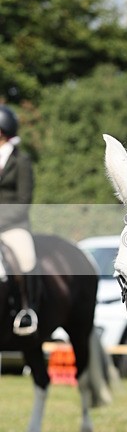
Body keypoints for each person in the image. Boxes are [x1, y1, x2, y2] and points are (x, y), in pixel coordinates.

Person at [0, 105, 40, 334]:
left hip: (12, 225)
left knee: (26, 257)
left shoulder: (21, 161)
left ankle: (27, 310)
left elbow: (23, 200)